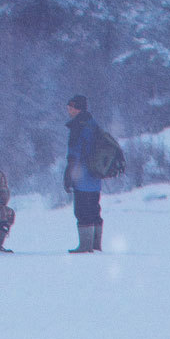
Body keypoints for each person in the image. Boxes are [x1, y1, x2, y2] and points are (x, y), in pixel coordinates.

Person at [63, 94, 103, 253]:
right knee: (94, 210)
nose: (68, 109)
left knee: (81, 210)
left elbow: (75, 153)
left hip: (82, 176)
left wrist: (69, 174)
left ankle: (85, 246)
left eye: (71, 107)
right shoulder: (93, 123)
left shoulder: (78, 126)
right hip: (96, 176)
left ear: (77, 108)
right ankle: (95, 245)